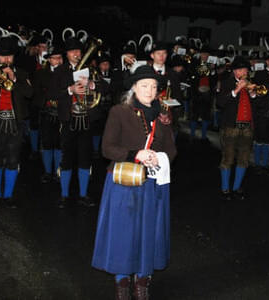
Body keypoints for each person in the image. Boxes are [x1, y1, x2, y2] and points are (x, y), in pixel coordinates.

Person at [91, 65, 177, 300]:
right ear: (134, 88)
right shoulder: (119, 112)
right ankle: (121, 281)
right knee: (123, 232)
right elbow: (107, 148)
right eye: (144, 86)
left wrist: (158, 159)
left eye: (153, 87)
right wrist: (136, 154)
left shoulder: (163, 115)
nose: (149, 91)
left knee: (148, 231)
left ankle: (142, 279)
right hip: (123, 182)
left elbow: (171, 149)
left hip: (151, 182)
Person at [53, 37, 104, 208]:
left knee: (85, 158)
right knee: (66, 158)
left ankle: (83, 194)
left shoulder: (91, 70)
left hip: (86, 119)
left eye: (78, 51)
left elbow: (106, 87)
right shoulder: (60, 71)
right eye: (72, 51)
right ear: (66, 54)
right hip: (69, 120)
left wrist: (93, 85)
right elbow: (52, 94)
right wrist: (70, 89)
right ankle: (64, 195)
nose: (76, 54)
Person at [0, 37, 33, 209]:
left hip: (15, 122)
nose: (6, 60)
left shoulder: (22, 73)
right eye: (3, 57)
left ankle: (8, 196)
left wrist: (14, 78)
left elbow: (30, 94)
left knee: (13, 159)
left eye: (9, 56)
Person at [216, 56, 257, 201]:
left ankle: (236, 187)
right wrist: (236, 90)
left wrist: (253, 94)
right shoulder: (227, 82)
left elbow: (256, 106)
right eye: (240, 69)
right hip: (230, 127)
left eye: (245, 69)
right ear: (234, 71)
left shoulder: (251, 84)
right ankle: (225, 188)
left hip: (247, 127)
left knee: (244, 159)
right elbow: (220, 103)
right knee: (228, 158)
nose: (243, 72)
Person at [32, 45, 63, 183]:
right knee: (47, 142)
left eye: (60, 58)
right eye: (55, 58)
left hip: (61, 112)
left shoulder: (66, 73)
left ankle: (57, 171)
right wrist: (45, 102)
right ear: (49, 60)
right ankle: (47, 171)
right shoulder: (41, 73)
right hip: (47, 112)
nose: (59, 60)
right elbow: (36, 93)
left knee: (59, 143)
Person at [188, 45, 217, 143]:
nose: (205, 56)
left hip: (207, 93)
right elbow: (197, 73)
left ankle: (204, 135)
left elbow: (215, 79)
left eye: (207, 54)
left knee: (206, 114)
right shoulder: (194, 63)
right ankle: (192, 134)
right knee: (194, 114)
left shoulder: (212, 65)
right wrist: (208, 67)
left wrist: (213, 70)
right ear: (200, 54)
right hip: (196, 92)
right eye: (203, 54)